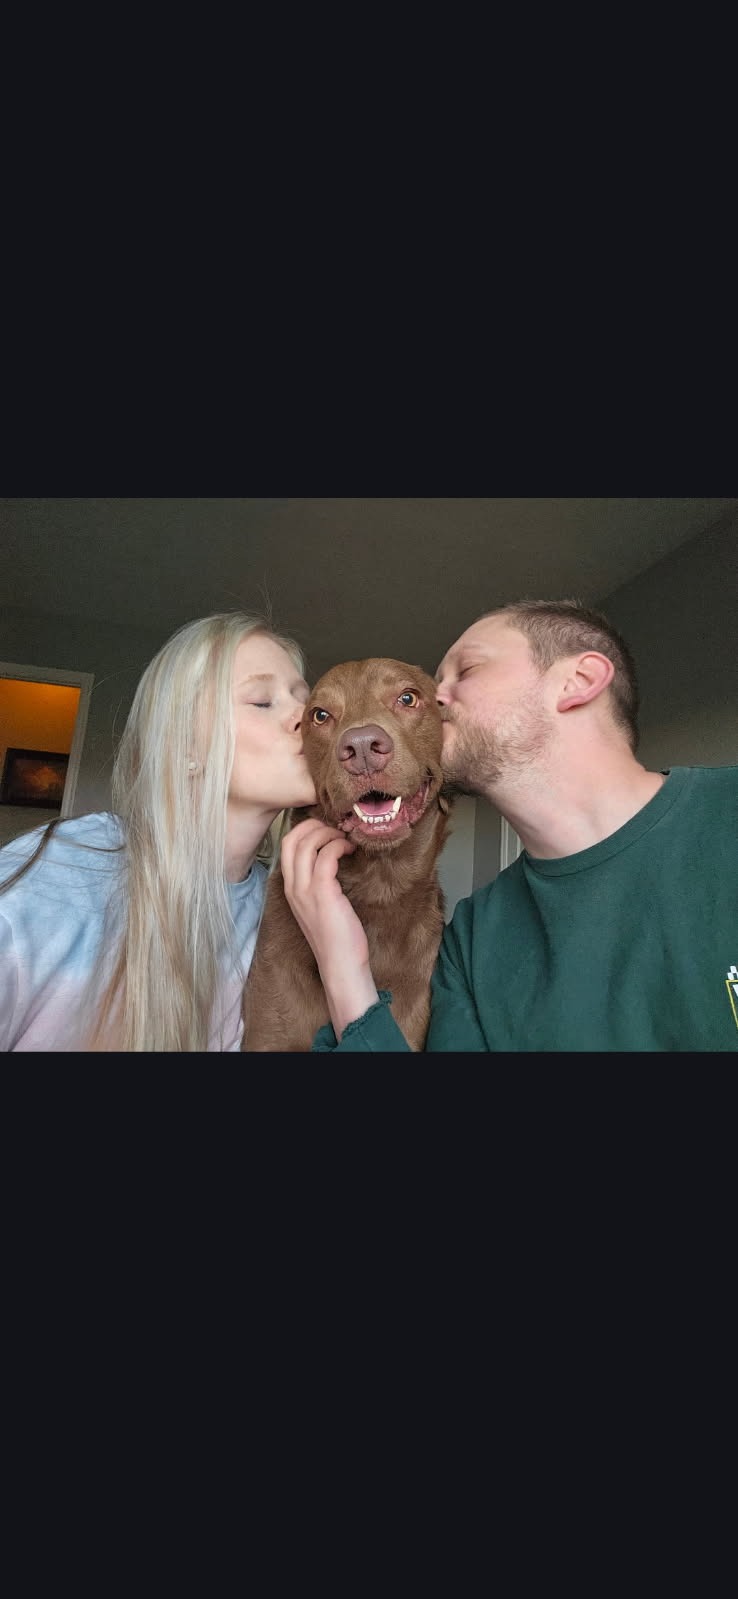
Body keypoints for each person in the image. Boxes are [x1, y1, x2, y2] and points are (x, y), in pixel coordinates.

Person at [278, 598, 738, 1052]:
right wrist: (345, 970)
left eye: (465, 671)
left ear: (578, 681)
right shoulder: (471, 941)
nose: (436, 698)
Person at [0, 611, 316, 1051]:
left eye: (309, 701)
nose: (310, 717)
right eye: (262, 701)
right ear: (186, 744)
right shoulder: (63, 876)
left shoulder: (281, 914)